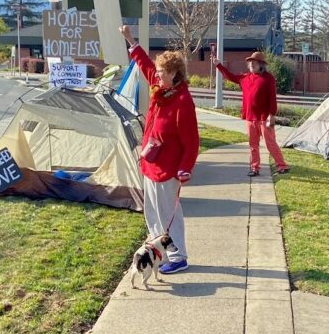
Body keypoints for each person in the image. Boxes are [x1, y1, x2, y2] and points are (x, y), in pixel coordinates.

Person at [119, 24, 200, 274]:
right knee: (152, 211)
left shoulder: (183, 102)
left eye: (163, 72)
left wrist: (185, 169)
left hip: (169, 169)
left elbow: (191, 141)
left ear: (176, 73)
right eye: (158, 71)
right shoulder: (161, 90)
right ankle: (158, 250)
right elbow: (145, 65)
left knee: (169, 213)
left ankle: (178, 256)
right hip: (151, 163)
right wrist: (131, 40)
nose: (157, 75)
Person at [211, 51, 289, 177]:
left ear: (261, 65)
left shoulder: (269, 78)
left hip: (264, 118)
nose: (251, 64)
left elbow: (272, 99)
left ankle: (282, 165)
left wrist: (272, 115)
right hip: (250, 117)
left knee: (270, 143)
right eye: (250, 62)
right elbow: (230, 76)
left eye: (254, 62)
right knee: (253, 144)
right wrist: (218, 65)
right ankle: (255, 168)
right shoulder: (245, 78)